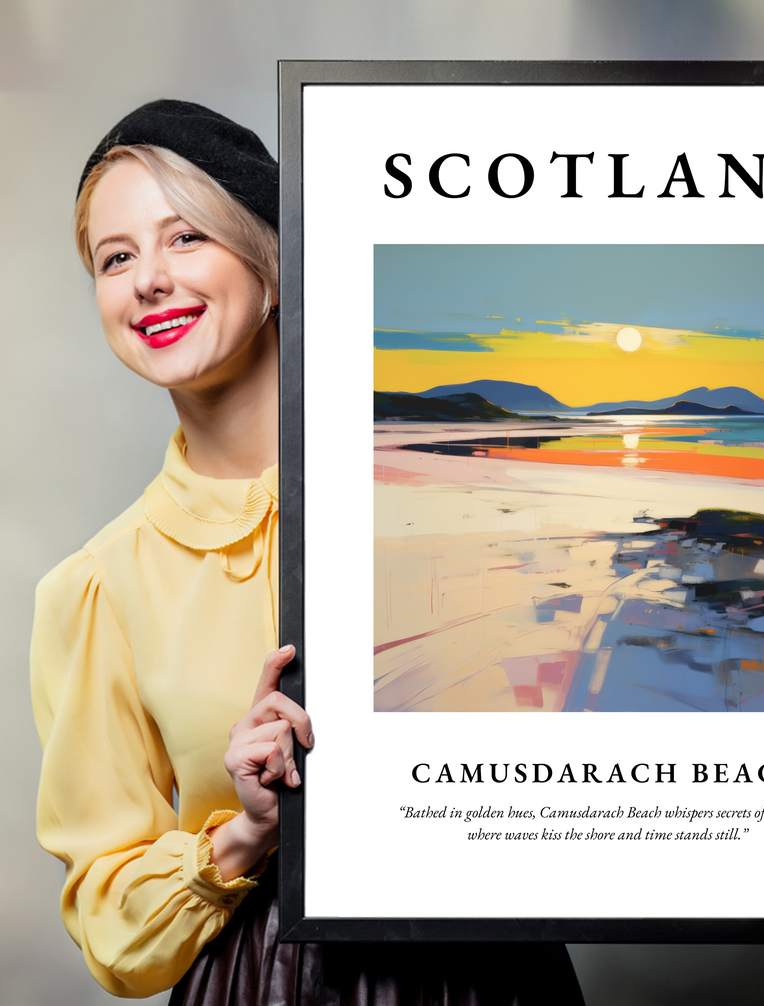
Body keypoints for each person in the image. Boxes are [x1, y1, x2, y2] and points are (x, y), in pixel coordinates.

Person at [30, 100, 585, 1004]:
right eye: (116, 257)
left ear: (273, 264)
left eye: (186, 239)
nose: (148, 281)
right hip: (263, 982)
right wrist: (245, 832)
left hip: (491, 973)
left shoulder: (461, 496)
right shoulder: (97, 587)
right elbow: (110, 923)